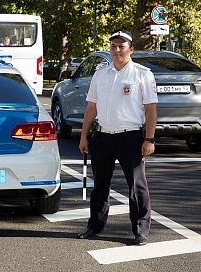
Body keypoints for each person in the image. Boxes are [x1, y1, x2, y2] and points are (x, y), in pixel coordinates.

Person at [77, 29, 158, 246]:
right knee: (100, 185)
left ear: (131, 49)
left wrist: (149, 139)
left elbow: (150, 110)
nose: (117, 50)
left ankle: (140, 231)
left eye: (122, 46)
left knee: (136, 186)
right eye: (113, 46)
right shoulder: (100, 74)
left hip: (130, 137)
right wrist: (84, 136)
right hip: (103, 136)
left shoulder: (142, 74)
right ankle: (94, 226)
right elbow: (91, 107)